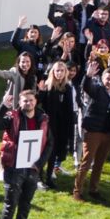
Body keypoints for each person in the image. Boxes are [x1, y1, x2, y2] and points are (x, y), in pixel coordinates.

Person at [0, 89, 48, 219]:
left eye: (31, 100)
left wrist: (39, 164)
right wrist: (2, 106)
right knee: (10, 203)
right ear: (19, 102)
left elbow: (49, 143)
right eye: (25, 101)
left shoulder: (43, 119)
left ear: (36, 101)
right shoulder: (13, 117)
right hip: (14, 166)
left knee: (26, 203)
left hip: (32, 168)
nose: (28, 103)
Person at [73, 67, 110, 203]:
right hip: (94, 131)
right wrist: (87, 76)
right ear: (102, 79)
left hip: (108, 133)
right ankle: (77, 191)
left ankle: (94, 190)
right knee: (86, 162)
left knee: (99, 163)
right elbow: (87, 87)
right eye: (108, 79)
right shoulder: (97, 90)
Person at [34, 63, 76, 191]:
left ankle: (49, 177)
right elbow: (37, 102)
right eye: (57, 70)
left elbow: (70, 109)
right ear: (53, 71)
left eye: (62, 71)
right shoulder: (47, 86)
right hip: (47, 125)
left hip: (61, 126)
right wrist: (40, 91)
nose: (59, 73)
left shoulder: (67, 88)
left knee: (54, 152)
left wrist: (69, 129)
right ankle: (38, 178)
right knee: (43, 152)